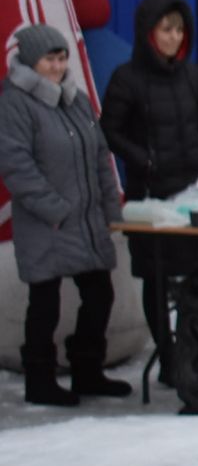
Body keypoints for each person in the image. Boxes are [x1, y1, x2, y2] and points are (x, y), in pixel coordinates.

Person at [0, 23, 130, 405]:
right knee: (45, 302)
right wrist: (55, 211)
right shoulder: (14, 103)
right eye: (49, 59)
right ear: (29, 61)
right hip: (48, 223)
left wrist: (110, 207)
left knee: (99, 294)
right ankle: (39, 379)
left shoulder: (77, 100)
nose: (57, 67)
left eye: (61, 58)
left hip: (86, 221)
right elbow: (16, 166)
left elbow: (100, 158)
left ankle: (87, 370)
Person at [99, 0, 198, 381]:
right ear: (149, 33)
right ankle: (168, 360)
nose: (174, 37)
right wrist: (144, 160)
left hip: (193, 196)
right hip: (150, 199)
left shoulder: (192, 75)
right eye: (166, 29)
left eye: (179, 29)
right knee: (156, 279)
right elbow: (110, 130)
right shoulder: (127, 78)